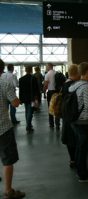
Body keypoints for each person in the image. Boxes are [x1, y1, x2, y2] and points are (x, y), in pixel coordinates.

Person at [0, 59, 25, 199]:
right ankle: (8, 191)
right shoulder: (4, 83)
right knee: (8, 160)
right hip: (2, 127)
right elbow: (15, 103)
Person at [69, 62, 88, 182]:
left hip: (74, 119)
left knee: (80, 147)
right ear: (86, 72)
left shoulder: (74, 85)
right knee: (83, 149)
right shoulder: (85, 86)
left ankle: (80, 170)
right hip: (83, 121)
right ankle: (83, 174)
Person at [61, 64, 80, 168]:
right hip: (73, 116)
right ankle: (76, 159)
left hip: (66, 115)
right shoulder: (74, 85)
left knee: (69, 138)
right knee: (74, 138)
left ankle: (72, 159)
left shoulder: (65, 84)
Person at [19, 66, 39, 133]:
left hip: (25, 98)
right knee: (30, 112)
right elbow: (36, 89)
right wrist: (37, 98)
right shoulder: (33, 78)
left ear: (25, 70)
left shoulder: (21, 79)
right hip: (32, 98)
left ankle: (29, 125)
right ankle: (28, 126)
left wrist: (20, 99)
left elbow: (20, 91)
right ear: (31, 70)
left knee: (27, 111)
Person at [44, 63, 60, 129]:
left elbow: (46, 85)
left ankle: (51, 124)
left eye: (46, 66)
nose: (46, 68)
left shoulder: (47, 74)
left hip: (50, 92)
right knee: (57, 107)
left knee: (50, 108)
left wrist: (44, 91)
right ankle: (57, 124)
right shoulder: (57, 73)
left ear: (49, 66)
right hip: (57, 92)